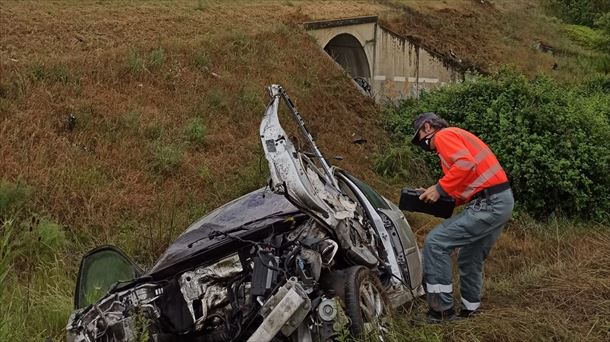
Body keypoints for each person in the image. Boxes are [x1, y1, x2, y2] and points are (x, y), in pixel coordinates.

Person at [411, 112, 514, 322]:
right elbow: (466, 184)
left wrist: (439, 188)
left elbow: (466, 165)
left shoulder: (443, 136)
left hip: (489, 203)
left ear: (428, 127)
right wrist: (440, 195)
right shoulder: (455, 137)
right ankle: (471, 310)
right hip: (499, 200)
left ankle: (441, 312)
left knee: (435, 242)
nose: (421, 143)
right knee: (470, 257)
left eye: (419, 136)